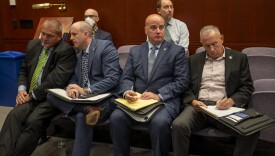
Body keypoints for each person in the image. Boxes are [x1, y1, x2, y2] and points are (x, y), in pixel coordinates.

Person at [172, 25, 259, 156]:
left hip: (225, 108)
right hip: (199, 107)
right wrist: (193, 101)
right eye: (207, 46)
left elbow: (247, 87)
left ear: (222, 39)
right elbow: (185, 85)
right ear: (202, 44)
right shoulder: (193, 60)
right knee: (179, 125)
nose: (212, 49)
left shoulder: (239, 58)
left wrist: (232, 101)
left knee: (252, 129)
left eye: (215, 44)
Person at [110, 14, 190, 156]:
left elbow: (182, 81)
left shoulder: (176, 51)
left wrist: (159, 95)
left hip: (164, 102)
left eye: (161, 27)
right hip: (137, 101)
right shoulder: (135, 51)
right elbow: (127, 77)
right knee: (117, 117)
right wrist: (127, 92)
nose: (158, 31)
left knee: (159, 123)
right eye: (153, 28)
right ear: (145, 30)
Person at [0, 19, 77, 156]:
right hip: (30, 95)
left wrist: (32, 95)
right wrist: (22, 90)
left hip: (50, 97)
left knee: (33, 121)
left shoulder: (66, 51)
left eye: (50, 36)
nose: (44, 38)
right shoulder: (34, 44)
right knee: (14, 115)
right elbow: (24, 70)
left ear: (59, 37)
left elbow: (55, 80)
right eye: (43, 33)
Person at [47, 21, 121, 156]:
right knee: (50, 95)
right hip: (85, 101)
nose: (71, 38)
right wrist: (71, 88)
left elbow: (113, 79)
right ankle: (89, 109)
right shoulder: (79, 54)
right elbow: (75, 78)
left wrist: (87, 90)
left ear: (86, 34)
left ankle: (88, 110)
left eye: (74, 34)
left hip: (104, 98)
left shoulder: (105, 47)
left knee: (81, 117)